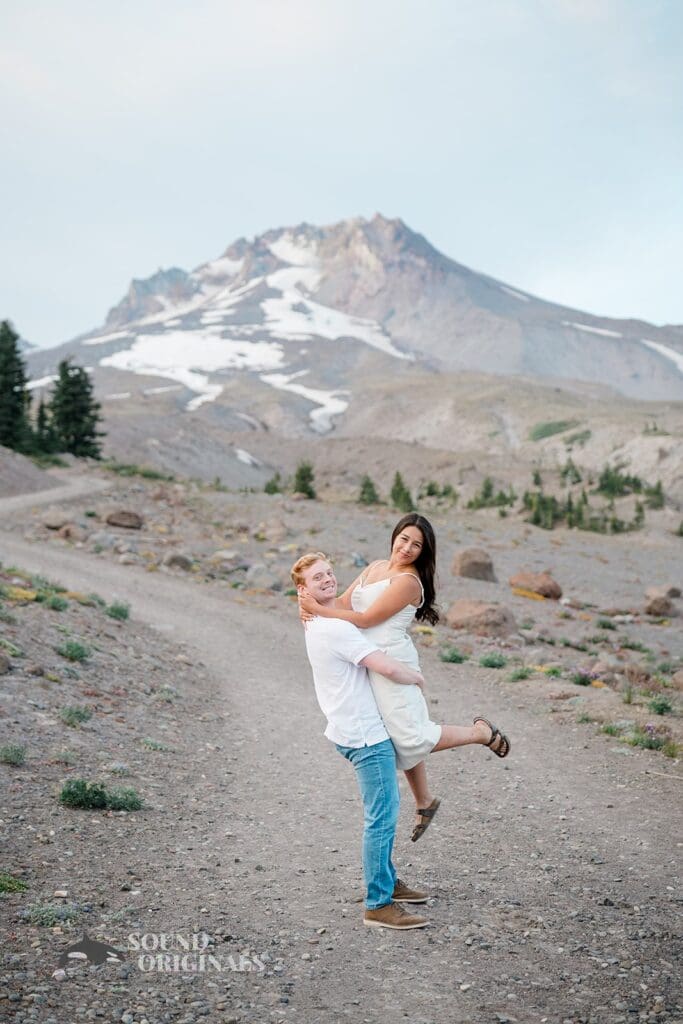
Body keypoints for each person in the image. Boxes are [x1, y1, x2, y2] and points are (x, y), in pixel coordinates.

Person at [299, 513, 511, 843]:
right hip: (367, 661)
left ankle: (480, 733)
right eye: (404, 539)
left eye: (417, 545)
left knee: (410, 735)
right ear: (394, 536)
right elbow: (343, 602)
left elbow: (366, 619)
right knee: (395, 735)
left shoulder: (410, 582)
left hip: (392, 661)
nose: (408, 548)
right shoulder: (374, 567)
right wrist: (310, 604)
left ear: (424, 552)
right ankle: (424, 800)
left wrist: (317, 610)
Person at [291, 551, 431, 930]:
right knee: (382, 816)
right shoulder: (333, 627)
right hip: (365, 736)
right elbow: (382, 665)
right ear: (303, 590)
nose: (328, 580)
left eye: (330, 573)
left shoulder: (317, 620)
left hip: (350, 728)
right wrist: (415, 677)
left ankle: (387, 882)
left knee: (383, 811)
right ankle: (378, 904)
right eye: (317, 578)